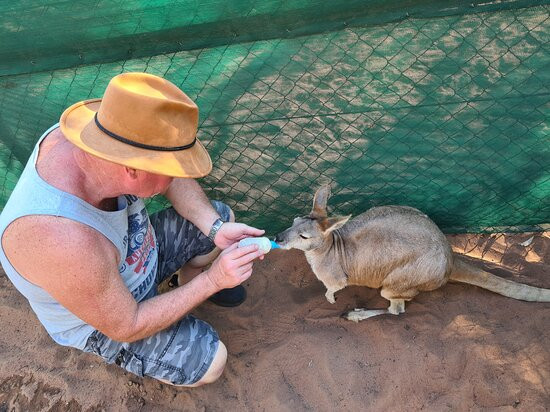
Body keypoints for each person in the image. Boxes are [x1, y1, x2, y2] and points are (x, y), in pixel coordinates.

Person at [0, 72, 266, 387]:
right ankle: (173, 324)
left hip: (132, 256)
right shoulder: (62, 239)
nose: (175, 179)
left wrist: (216, 227)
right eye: (169, 171)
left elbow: (178, 185)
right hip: (107, 317)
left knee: (219, 221)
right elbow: (126, 324)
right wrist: (214, 280)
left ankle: (184, 284)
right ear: (132, 169)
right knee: (212, 362)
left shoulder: (101, 138)